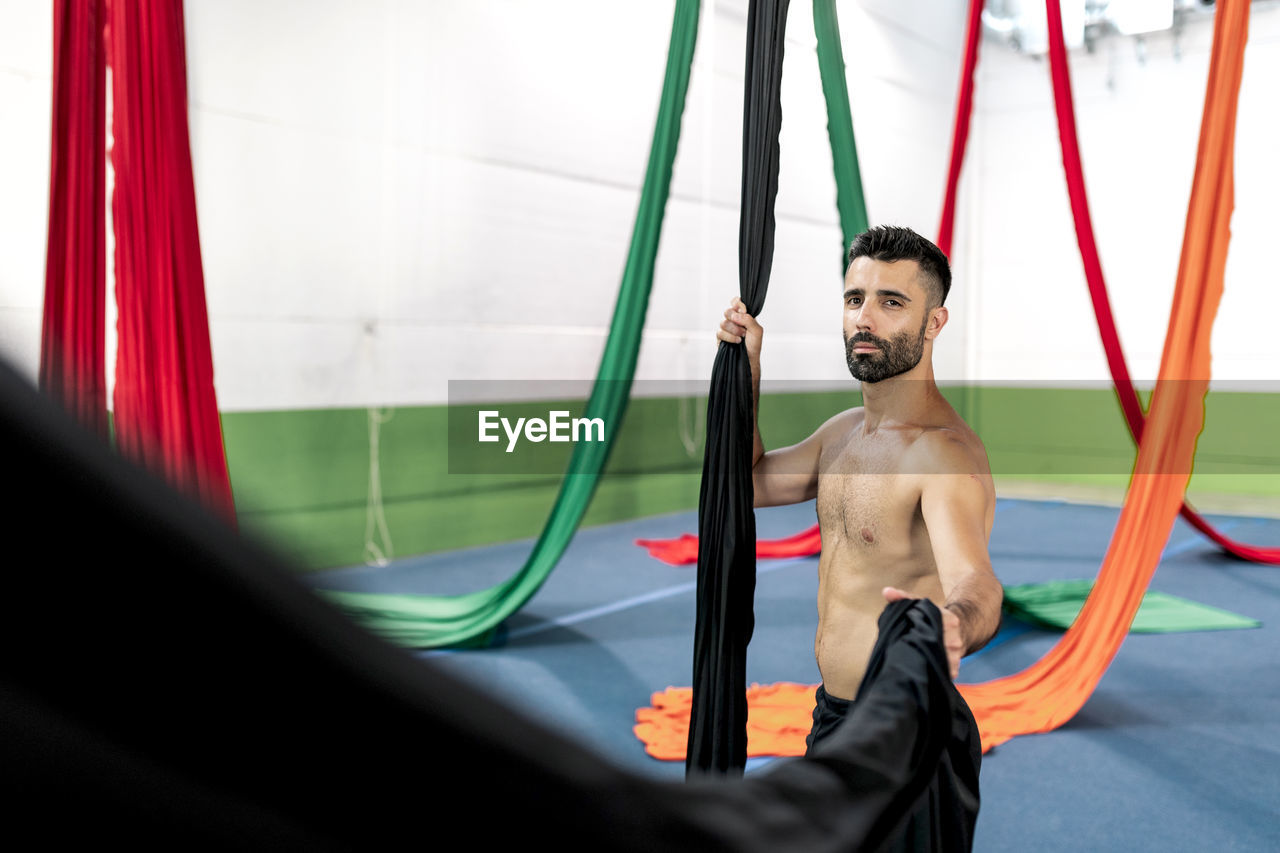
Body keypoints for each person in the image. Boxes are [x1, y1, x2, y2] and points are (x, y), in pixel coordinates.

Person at [715, 224, 1003, 755]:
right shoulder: (843, 433)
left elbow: (977, 582)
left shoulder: (940, 454)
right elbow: (748, 485)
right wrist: (748, 367)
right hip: (835, 715)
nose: (864, 319)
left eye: (891, 302)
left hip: (905, 732)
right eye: (855, 299)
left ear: (934, 321)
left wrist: (955, 625)